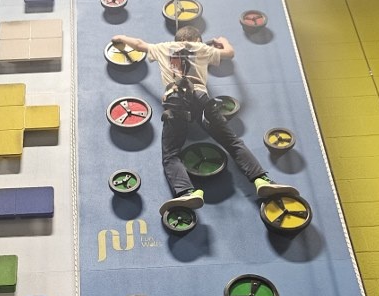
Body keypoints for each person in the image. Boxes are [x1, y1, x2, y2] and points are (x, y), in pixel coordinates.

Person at [111, 27, 299, 216]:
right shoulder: (203, 49)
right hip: (201, 100)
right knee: (232, 142)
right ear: (198, 40)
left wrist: (121, 37)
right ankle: (261, 180)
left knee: (171, 155)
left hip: (175, 101)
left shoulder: (163, 47)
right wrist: (223, 41)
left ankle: (187, 192)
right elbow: (229, 53)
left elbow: (139, 44)